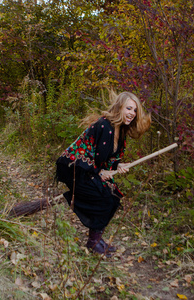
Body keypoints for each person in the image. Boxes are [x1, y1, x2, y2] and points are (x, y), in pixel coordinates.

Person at [55, 91, 151, 255]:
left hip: (90, 170)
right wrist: (100, 172)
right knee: (104, 197)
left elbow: (108, 159)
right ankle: (93, 241)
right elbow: (83, 156)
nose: (132, 114)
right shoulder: (103, 126)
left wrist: (118, 165)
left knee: (113, 196)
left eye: (135, 110)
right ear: (119, 107)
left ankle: (96, 239)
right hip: (74, 168)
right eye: (129, 108)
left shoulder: (120, 132)